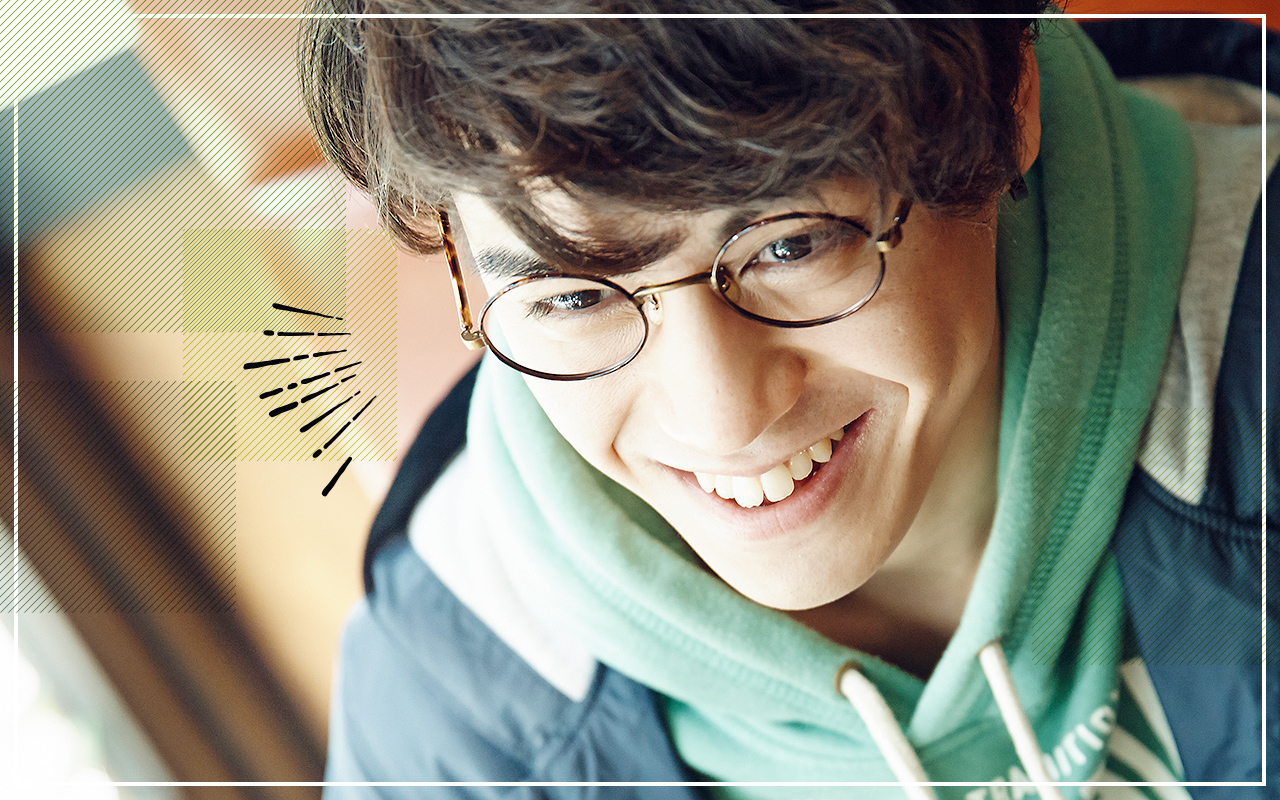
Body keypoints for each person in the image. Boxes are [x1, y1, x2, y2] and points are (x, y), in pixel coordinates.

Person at [301, 3, 1276, 797]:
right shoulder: (453, 707)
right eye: (571, 297)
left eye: (791, 245)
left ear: (1002, 100)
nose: (721, 418)